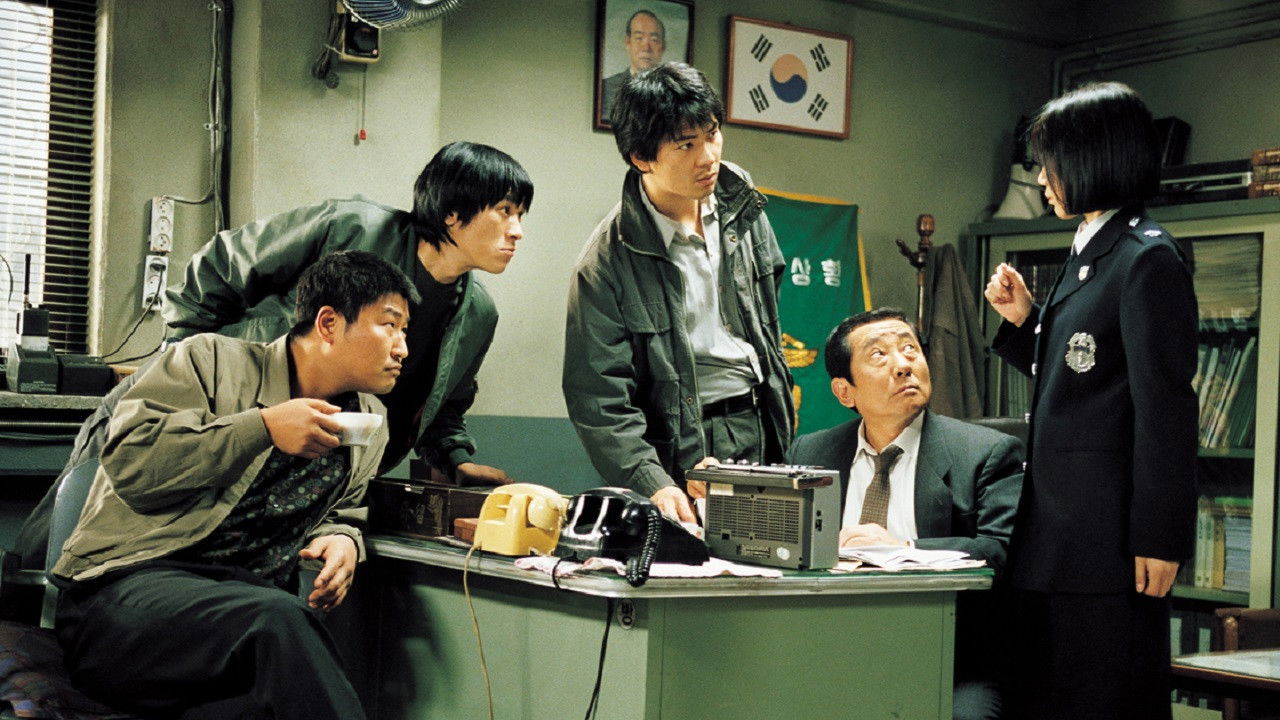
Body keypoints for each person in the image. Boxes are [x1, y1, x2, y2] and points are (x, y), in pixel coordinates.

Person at [11, 141, 531, 572]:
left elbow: (445, 406)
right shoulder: (349, 228)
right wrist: (188, 366)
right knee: (67, 540)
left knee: (219, 572)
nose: (517, 231)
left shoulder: (478, 314)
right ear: (452, 212)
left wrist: (455, 460)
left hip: (301, 458)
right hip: (202, 408)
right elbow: (221, 266)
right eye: (505, 211)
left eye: (522, 216)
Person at [51, 250, 418, 719]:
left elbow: (341, 509)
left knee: (274, 686)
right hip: (124, 598)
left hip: (235, 623)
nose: (402, 348)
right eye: (389, 325)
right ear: (328, 323)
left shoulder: (369, 422)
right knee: (279, 622)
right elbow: (131, 464)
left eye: (404, 331)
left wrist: (342, 536)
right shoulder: (208, 361)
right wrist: (261, 428)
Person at [983, 81, 1197, 720]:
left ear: (1094, 160)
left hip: (1109, 547)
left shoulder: (1146, 258)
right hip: (1057, 537)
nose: (1040, 179)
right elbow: (1086, 378)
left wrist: (1161, 537)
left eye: (1050, 163)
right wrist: (1028, 321)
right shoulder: (1091, 249)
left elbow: (1164, 410)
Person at [564, 61, 794, 523]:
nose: (708, 157)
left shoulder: (742, 206)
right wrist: (656, 482)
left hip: (761, 421)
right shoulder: (606, 261)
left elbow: (769, 319)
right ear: (641, 157)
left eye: (712, 134)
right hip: (680, 442)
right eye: (686, 145)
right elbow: (600, 399)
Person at [786, 309, 1023, 720]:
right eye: (878, 355)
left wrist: (903, 549)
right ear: (845, 391)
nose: (902, 365)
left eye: (910, 349)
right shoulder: (811, 453)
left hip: (947, 654)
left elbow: (1002, 550)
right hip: (833, 645)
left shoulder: (985, 453)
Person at [600, 9, 665, 123]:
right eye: (639, 38)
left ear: (663, 47)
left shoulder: (674, 95)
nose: (646, 48)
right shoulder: (606, 88)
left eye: (654, 40)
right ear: (628, 42)